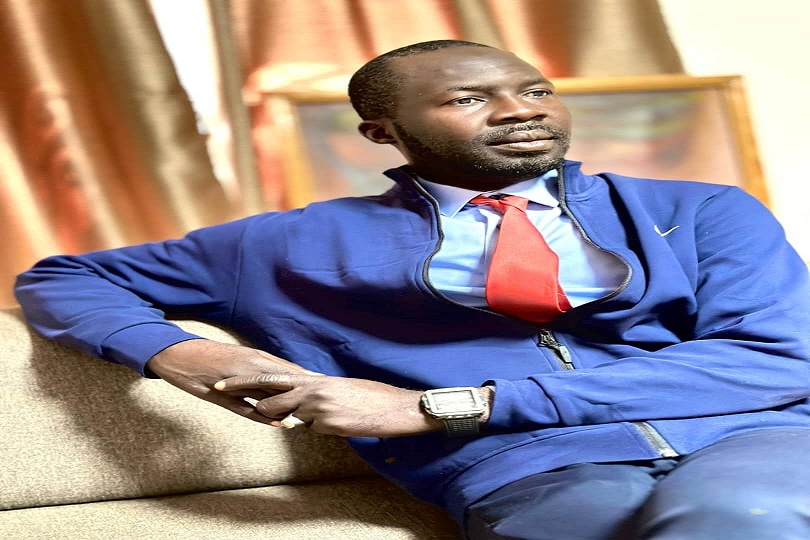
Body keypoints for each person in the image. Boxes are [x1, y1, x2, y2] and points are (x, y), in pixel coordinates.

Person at [14, 40, 810, 540]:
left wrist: (444, 406)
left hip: (750, 439)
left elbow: (778, 358)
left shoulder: (699, 211)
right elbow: (62, 277)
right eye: (469, 100)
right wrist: (183, 356)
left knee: (740, 518)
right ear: (382, 131)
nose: (520, 112)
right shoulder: (286, 243)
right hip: (526, 471)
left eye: (536, 90)